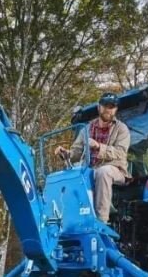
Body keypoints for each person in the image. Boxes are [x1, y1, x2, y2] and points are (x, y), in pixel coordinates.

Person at [55, 92, 130, 223]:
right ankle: (67, 221)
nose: (108, 109)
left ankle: (101, 222)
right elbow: (76, 152)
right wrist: (65, 154)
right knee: (71, 175)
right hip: (90, 169)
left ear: (116, 109)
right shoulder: (86, 129)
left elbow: (120, 153)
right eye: (105, 105)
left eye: (112, 106)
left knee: (103, 172)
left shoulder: (121, 129)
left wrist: (98, 146)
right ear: (99, 107)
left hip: (116, 170)